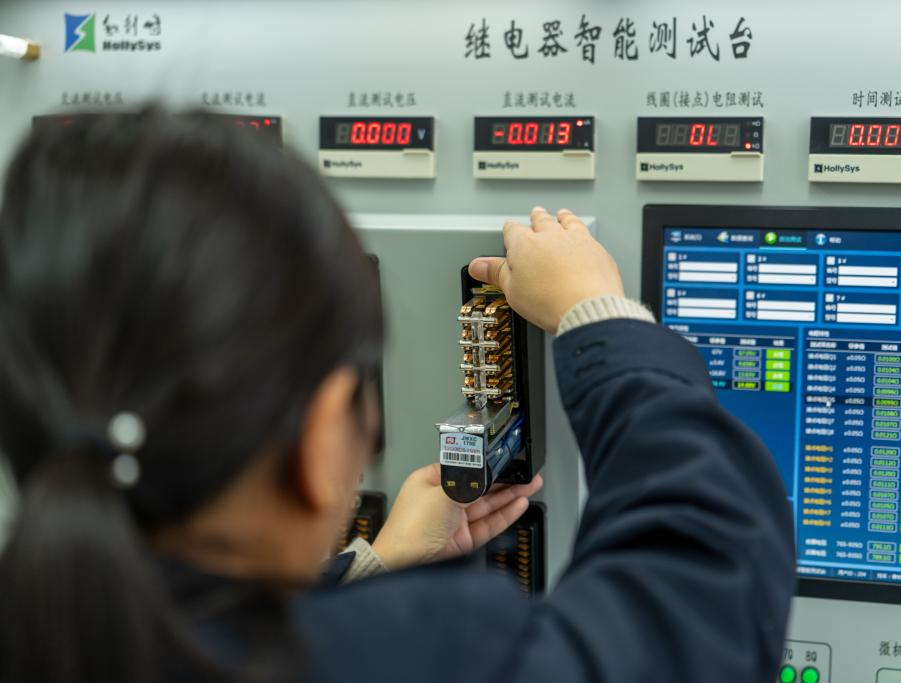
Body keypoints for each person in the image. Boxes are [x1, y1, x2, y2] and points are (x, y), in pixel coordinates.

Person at [0, 110, 794, 683]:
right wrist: (597, 313)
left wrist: (371, 565)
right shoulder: (434, 652)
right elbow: (702, 602)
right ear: (321, 441)